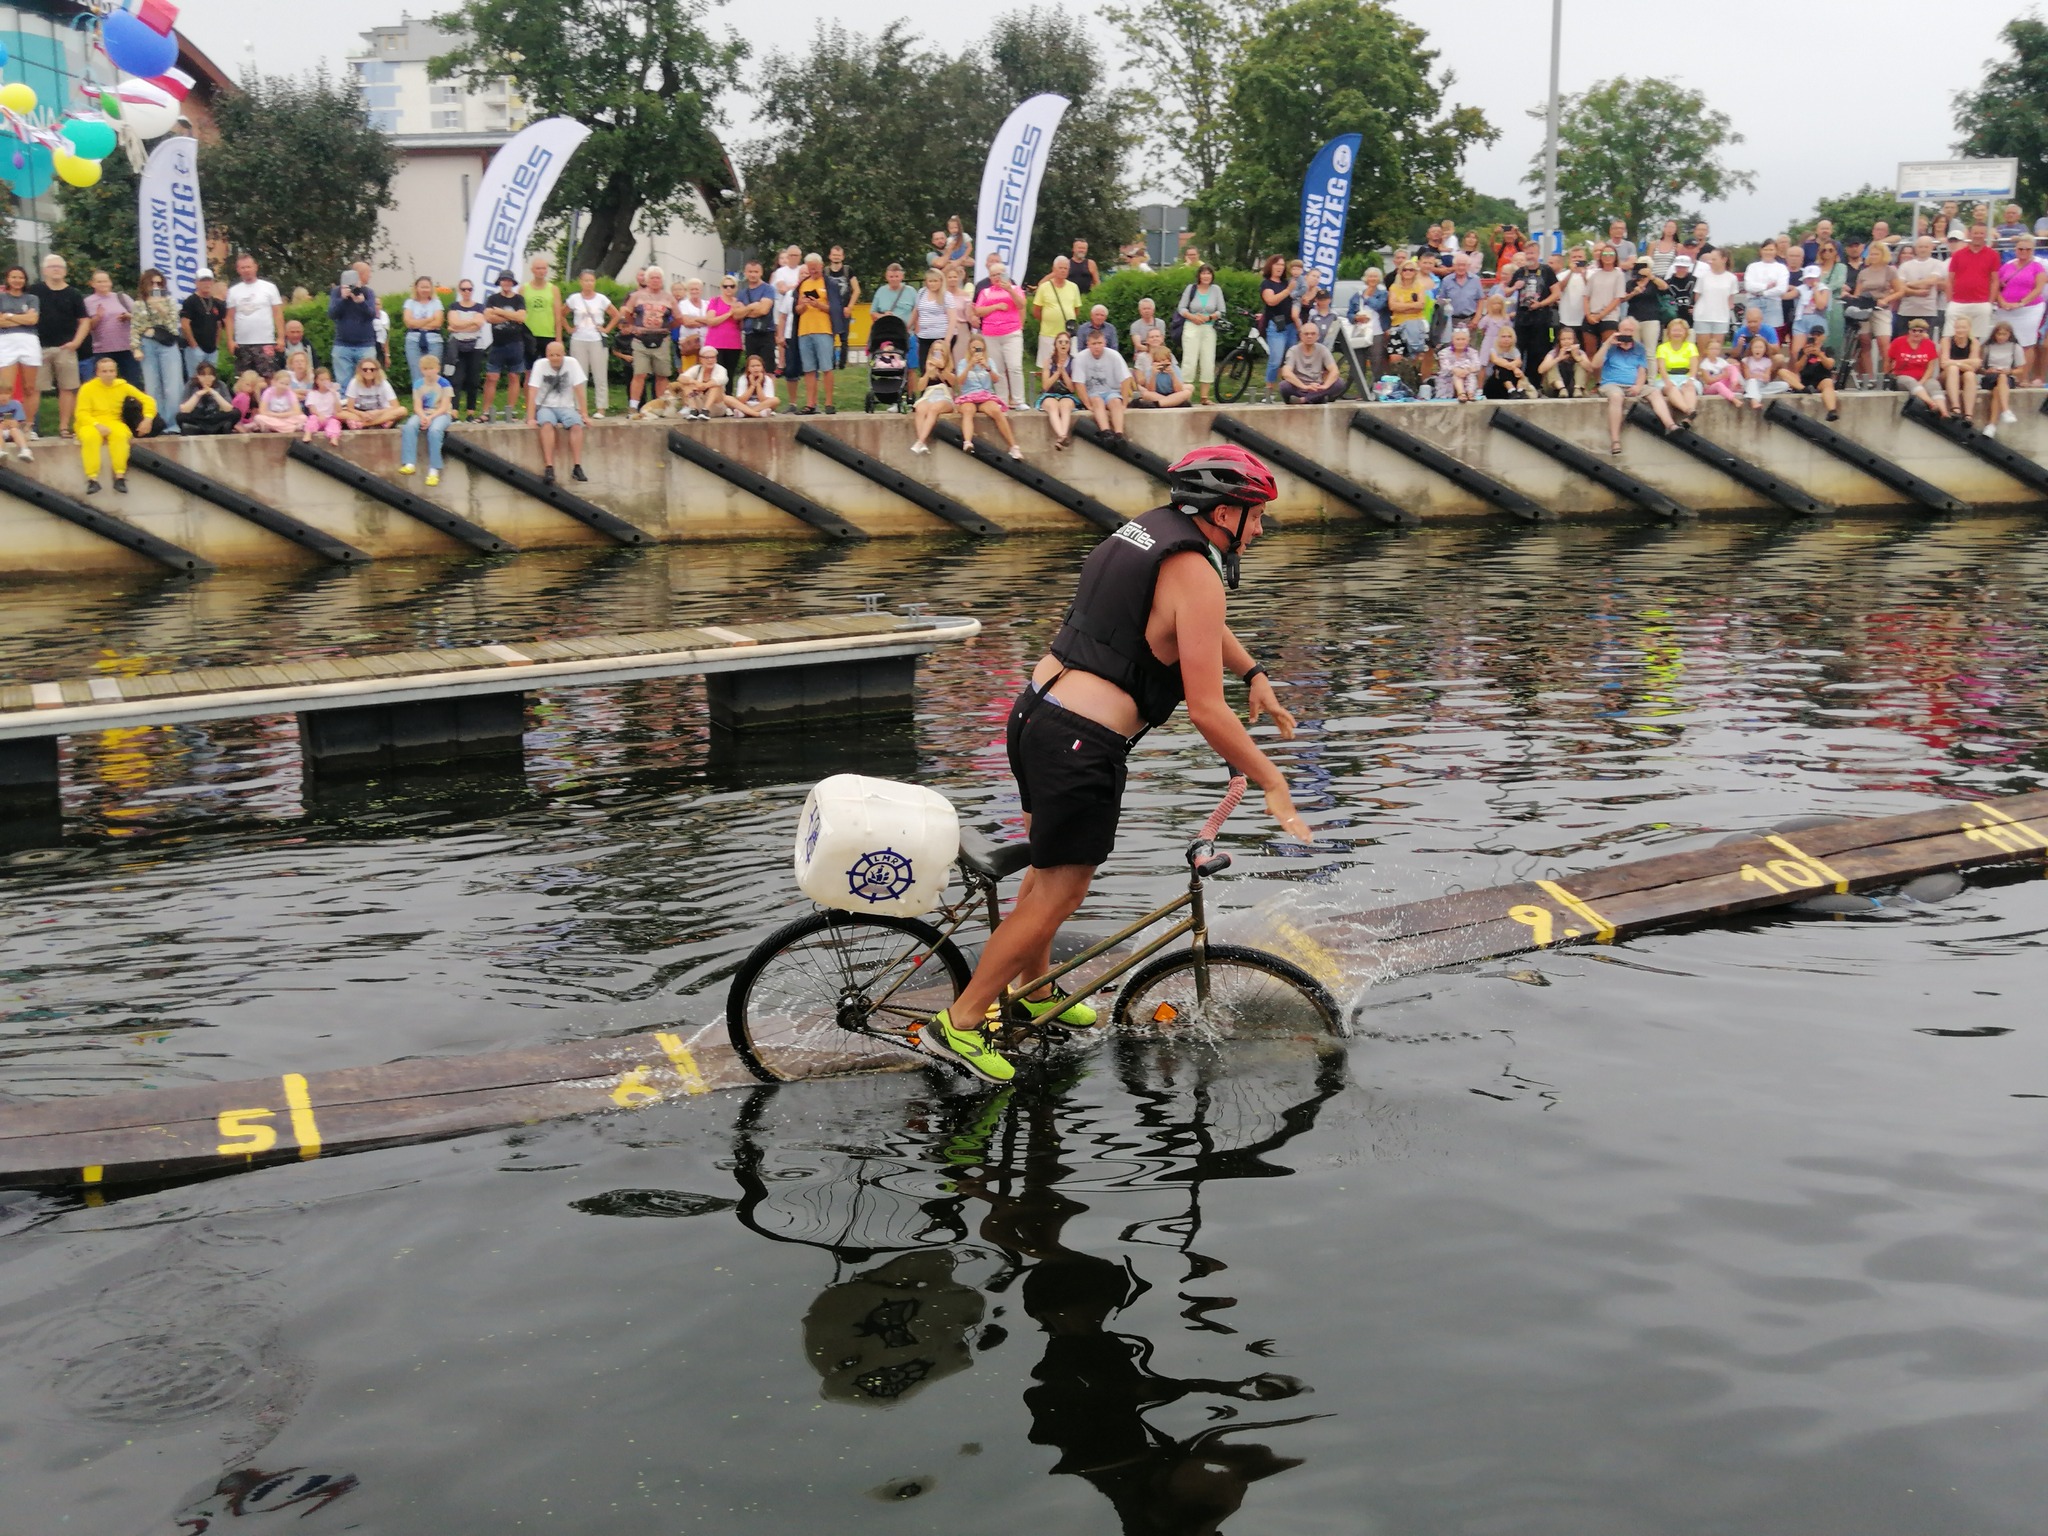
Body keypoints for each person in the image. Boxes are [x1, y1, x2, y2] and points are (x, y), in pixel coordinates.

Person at [916, 444, 1309, 1082]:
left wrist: (1254, 672)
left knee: (1045, 876)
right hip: (1080, 743)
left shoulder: (1148, 531)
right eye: (1254, 513)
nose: (1260, 528)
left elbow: (1194, 627)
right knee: (1062, 892)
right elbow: (1207, 710)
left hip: (1036, 716)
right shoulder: (1198, 572)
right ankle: (959, 1024)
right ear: (1219, 510)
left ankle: (1037, 990)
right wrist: (1272, 780)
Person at [74, 353, 154, 492]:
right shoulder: (87, 388)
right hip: (91, 422)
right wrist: (96, 425)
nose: (108, 374)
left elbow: (148, 400)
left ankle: (120, 476)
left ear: (116, 372)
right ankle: (92, 479)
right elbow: (81, 413)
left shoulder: (123, 386)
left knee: (121, 436)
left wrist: (148, 418)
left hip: (114, 421)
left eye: (111, 371)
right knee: (90, 437)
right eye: (104, 371)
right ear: (98, 373)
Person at [29, 253, 89, 436]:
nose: (56, 269)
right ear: (44, 270)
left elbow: (84, 320)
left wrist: (76, 342)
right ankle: (30, 428)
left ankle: (64, 427)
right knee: (34, 388)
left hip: (66, 348)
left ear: (65, 271)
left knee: (68, 388)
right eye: (52, 266)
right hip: (39, 348)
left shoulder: (74, 293)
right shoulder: (34, 291)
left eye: (60, 267)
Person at [1590, 318, 1669, 448]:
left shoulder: (1639, 348)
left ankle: (1670, 425)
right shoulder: (1610, 347)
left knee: (1654, 392)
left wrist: (1638, 386)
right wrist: (1607, 343)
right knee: (1616, 396)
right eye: (1625, 330)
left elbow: (1642, 371)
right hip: (1611, 384)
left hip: (1633, 384)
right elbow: (1595, 364)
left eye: (1631, 331)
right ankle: (1615, 440)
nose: (1628, 333)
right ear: (1619, 331)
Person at [527, 337, 589, 484]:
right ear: (547, 355)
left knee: (576, 425)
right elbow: (532, 391)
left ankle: (577, 466)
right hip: (546, 406)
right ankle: (549, 466)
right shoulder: (540, 365)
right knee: (547, 424)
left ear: (564, 354)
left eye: (558, 355)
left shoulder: (572, 363)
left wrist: (584, 413)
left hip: (566, 406)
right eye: (551, 355)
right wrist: (530, 417)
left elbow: (579, 390)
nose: (555, 358)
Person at [619, 267, 676, 415]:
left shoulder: (669, 298)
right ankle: (633, 407)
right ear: (647, 280)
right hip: (640, 340)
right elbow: (627, 313)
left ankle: (662, 407)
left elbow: (679, 318)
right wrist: (634, 326)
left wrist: (666, 328)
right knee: (639, 374)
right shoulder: (636, 296)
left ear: (662, 280)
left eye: (658, 278)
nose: (655, 280)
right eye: (652, 277)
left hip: (662, 340)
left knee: (662, 375)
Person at [1992, 233, 2048, 383]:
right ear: (2016, 249)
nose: (2023, 252)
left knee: (2027, 342)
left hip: (2029, 309)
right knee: (2006, 340)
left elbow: (2038, 288)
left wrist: (2021, 302)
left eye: (2027, 249)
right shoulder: (2008, 265)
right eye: (2020, 249)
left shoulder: (2038, 267)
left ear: (2032, 250)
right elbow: (1996, 285)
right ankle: (2005, 376)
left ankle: (2023, 378)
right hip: (2006, 309)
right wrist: (2002, 301)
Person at [974, 255, 1028, 410]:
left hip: (1011, 333)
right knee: (998, 369)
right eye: (993, 275)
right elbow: (978, 311)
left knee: (1015, 366)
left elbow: (1021, 304)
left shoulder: (1015, 289)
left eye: (999, 274)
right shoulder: (985, 292)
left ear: (1006, 274)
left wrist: (1009, 290)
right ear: (990, 278)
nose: (996, 277)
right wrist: (996, 307)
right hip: (991, 334)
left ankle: (1018, 400)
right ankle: (1002, 400)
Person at [953, 335, 1020, 457]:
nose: (977, 351)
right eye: (974, 348)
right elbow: (960, 381)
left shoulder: (989, 362)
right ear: (969, 349)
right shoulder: (963, 362)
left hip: (985, 395)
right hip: (968, 395)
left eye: (980, 349)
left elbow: (996, 380)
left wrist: (987, 367)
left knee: (996, 411)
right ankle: (967, 442)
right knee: (968, 411)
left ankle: (1013, 446)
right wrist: (969, 365)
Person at [477, 269, 530, 422]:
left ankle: (511, 410)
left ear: (512, 283)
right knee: (492, 377)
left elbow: (522, 317)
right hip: (498, 344)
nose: (506, 283)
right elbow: (488, 317)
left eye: (509, 281)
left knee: (514, 376)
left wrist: (500, 312)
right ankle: (486, 411)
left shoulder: (519, 298)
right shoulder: (493, 298)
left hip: (516, 343)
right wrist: (510, 317)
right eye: (503, 280)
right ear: (500, 282)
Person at [129, 267, 181, 424]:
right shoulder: (138, 304)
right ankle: (157, 423)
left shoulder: (170, 302)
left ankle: (172, 424)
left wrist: (160, 307)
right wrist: (136, 348)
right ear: (145, 284)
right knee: (152, 387)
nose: (156, 287)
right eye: (152, 283)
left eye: (160, 283)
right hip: (147, 345)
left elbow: (173, 325)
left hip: (167, 343)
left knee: (172, 387)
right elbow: (135, 327)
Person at [395, 351, 455, 485]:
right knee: (409, 427)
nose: (429, 372)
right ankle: (409, 463)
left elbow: (444, 407)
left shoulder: (445, 384)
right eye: (425, 369)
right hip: (424, 412)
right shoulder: (418, 384)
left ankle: (434, 469)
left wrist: (431, 417)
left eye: (431, 368)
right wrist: (423, 416)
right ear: (421, 370)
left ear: (437, 369)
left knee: (434, 431)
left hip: (441, 414)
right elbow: (417, 406)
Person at [224, 252, 284, 380]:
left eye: (248, 267)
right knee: (244, 380)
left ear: (255, 267)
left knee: (269, 378)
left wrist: (281, 337)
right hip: (243, 343)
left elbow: (278, 313)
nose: (246, 270)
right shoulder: (233, 291)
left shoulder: (269, 288)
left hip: (265, 341)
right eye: (243, 268)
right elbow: (229, 317)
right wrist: (230, 340)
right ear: (238, 270)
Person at [565, 270, 617, 416]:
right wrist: (569, 328)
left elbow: (615, 315)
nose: (589, 283)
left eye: (591, 280)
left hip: (596, 339)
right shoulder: (574, 298)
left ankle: (601, 408)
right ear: (580, 282)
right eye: (586, 280)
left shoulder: (601, 299)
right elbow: (562, 314)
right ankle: (579, 408)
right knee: (579, 374)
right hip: (579, 339)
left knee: (600, 375)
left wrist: (606, 328)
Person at [792, 252, 837, 414]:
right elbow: (796, 309)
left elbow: (835, 309)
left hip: (823, 330)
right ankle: (811, 403)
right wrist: (803, 304)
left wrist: (819, 305)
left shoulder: (829, 284)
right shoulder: (802, 285)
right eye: (810, 269)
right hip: (804, 331)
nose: (813, 271)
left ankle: (829, 403)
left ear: (821, 266)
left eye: (815, 269)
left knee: (826, 367)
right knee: (809, 369)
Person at [1178, 264, 1226, 404]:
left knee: (1208, 360)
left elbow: (1221, 310)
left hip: (1209, 328)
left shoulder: (1216, 290)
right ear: (1199, 275)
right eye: (1203, 273)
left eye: (1208, 273)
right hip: (1192, 326)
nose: (1206, 276)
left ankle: (1204, 397)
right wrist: (1192, 317)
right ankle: (1185, 396)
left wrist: (1210, 317)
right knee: (1189, 361)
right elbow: (1181, 308)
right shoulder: (1191, 289)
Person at [1073, 327, 1131, 442]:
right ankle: (1106, 432)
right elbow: (1078, 383)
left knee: (1115, 402)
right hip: (1093, 393)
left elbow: (1126, 379)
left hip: (1112, 391)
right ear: (1088, 344)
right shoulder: (1080, 358)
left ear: (1104, 343)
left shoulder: (1114, 356)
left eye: (1099, 343)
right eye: (1094, 343)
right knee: (1097, 402)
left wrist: (1124, 402)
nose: (1097, 346)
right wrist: (1087, 404)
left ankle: (1119, 434)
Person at [1946, 223, 2000, 345]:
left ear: (1985, 235)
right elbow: (1950, 279)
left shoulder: (1993, 255)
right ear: (1970, 234)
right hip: (1958, 303)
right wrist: (1950, 301)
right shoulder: (1958, 255)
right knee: (1951, 336)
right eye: (1976, 233)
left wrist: (1989, 302)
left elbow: (1995, 280)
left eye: (1981, 233)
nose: (1978, 236)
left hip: (1981, 302)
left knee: (1978, 339)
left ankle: (1975, 363)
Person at [1032, 256, 1082, 381]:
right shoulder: (1044, 287)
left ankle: (1068, 387)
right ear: (1054, 269)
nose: (1063, 271)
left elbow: (1076, 310)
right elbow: (1036, 311)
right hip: (1048, 333)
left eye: (1066, 268)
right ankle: (1046, 388)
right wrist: (1050, 319)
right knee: (1047, 365)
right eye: (1060, 268)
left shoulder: (1073, 287)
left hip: (1068, 334)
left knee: (1071, 364)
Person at [445, 278, 489, 421]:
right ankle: (454, 411)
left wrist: (458, 326)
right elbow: (453, 322)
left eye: (469, 289)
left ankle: (470, 412)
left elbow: (479, 324)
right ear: (459, 290)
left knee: (473, 380)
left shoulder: (479, 306)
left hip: (475, 346)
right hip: (457, 346)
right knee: (456, 379)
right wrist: (470, 322)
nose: (467, 292)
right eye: (464, 289)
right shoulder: (454, 306)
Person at [83, 270, 136, 385]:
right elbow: (87, 327)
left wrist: (128, 316)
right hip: (103, 349)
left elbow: (140, 317)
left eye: (105, 281)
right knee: (104, 383)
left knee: (132, 382)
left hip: (127, 347)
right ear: (92, 284)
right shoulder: (88, 302)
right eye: (99, 282)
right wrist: (97, 317)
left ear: (110, 282)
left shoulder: (122, 297)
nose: (103, 284)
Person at [328, 266, 379, 384]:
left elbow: (372, 314)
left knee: (367, 380)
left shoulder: (368, 292)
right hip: (342, 344)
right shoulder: (337, 292)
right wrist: (342, 299)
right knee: (343, 382)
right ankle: (346, 401)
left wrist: (361, 302)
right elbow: (332, 314)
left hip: (365, 345)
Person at [0, 266, 38, 422]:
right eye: (14, 277)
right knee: (5, 388)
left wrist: (8, 316)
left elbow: (32, 320)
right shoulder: (1, 297)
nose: (17, 280)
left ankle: (29, 426)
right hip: (6, 342)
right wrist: (22, 318)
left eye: (21, 277)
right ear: (8, 279)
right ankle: (6, 426)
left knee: (29, 388)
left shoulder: (32, 298)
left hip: (29, 341)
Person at [1887, 316, 1946, 413]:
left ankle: (1944, 412)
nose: (1917, 333)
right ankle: (1931, 403)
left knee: (1934, 384)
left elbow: (1930, 368)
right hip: (1902, 377)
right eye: (1914, 330)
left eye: (1920, 331)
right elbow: (1888, 360)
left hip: (1923, 377)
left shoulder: (1930, 345)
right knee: (1910, 381)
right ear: (1909, 331)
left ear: (1924, 332)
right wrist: (1887, 375)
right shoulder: (1898, 342)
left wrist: (1922, 382)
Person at [1895, 234, 1947, 341]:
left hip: (1928, 312)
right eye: (1920, 246)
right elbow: (1900, 288)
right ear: (1916, 248)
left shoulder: (1938, 264)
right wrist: (1917, 292)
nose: (1923, 249)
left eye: (1926, 247)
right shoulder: (1905, 266)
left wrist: (1908, 284)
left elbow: (1930, 282)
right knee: (1903, 343)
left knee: (1925, 345)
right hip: (1906, 312)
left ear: (1931, 248)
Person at [1979, 320, 2025, 435]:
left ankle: (1991, 425)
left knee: (1998, 388)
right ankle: (2005, 410)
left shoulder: (2015, 347)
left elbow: (2021, 369)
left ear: (2010, 334)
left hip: (2006, 376)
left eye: (2004, 334)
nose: (2001, 337)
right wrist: (1987, 371)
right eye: (1999, 334)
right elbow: (1979, 368)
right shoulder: (1988, 347)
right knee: (2001, 378)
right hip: (1990, 376)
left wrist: (2010, 371)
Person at [179, 267, 225, 384]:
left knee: (212, 380)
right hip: (195, 349)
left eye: (209, 280)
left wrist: (217, 344)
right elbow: (185, 324)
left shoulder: (216, 303)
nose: (207, 283)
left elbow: (219, 324)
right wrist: (193, 344)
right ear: (196, 283)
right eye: (203, 280)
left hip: (212, 349)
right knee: (195, 380)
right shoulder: (190, 301)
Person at [1257, 254, 1295, 396]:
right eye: (1277, 264)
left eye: (1282, 265)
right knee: (1275, 359)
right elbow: (1271, 301)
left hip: (1291, 325)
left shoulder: (1287, 282)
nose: (1280, 267)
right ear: (1270, 266)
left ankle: (1289, 390)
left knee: (1291, 360)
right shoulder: (1267, 284)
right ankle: (1268, 392)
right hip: (1276, 326)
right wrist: (1288, 291)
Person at [908, 339, 955, 453]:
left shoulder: (949, 368)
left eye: (940, 350)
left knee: (934, 409)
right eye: (935, 350)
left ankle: (920, 441)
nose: (938, 353)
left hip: (944, 396)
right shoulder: (928, 366)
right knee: (920, 409)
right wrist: (929, 372)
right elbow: (920, 387)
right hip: (929, 394)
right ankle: (922, 443)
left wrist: (941, 369)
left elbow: (953, 382)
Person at [1782, 330, 1840, 419]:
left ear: (1823, 337)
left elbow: (1830, 365)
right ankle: (1804, 389)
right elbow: (1797, 368)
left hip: (1821, 380)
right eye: (1813, 335)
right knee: (1783, 372)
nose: (1815, 337)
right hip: (1805, 382)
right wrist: (1805, 355)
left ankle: (1831, 410)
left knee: (1828, 383)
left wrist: (1819, 354)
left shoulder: (1828, 350)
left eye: (1818, 335)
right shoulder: (1803, 351)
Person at [732, 259, 776, 373]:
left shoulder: (768, 289)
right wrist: (751, 307)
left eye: (756, 272)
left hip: (766, 333)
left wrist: (745, 311)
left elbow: (763, 310)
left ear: (761, 273)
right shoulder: (742, 293)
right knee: (751, 369)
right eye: (750, 272)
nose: (753, 274)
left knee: (768, 370)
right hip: (750, 334)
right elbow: (736, 315)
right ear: (745, 273)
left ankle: (769, 391)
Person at [401, 276, 445, 388]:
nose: (425, 290)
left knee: (433, 371)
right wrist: (429, 319)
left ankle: (434, 401)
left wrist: (418, 322)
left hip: (434, 340)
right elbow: (409, 323)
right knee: (416, 370)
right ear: (416, 288)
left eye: (427, 287)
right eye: (422, 287)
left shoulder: (437, 303)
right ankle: (419, 401)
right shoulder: (410, 303)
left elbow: (438, 323)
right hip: (413, 340)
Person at [1038, 331, 1080, 448]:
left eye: (1066, 342)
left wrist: (1064, 372)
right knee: (1052, 407)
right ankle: (1062, 436)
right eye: (1060, 342)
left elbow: (1072, 389)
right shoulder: (1048, 361)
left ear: (1069, 345)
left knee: (1065, 407)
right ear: (1055, 344)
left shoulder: (1074, 362)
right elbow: (1045, 386)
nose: (1063, 345)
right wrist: (1057, 373)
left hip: (1067, 395)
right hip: (1050, 394)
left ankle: (1061, 437)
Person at [339, 357, 406, 429]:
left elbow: (396, 406)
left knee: (402, 410)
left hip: (380, 411)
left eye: (372, 369)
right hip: (361, 412)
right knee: (339, 414)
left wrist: (378, 412)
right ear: (360, 371)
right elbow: (350, 407)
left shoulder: (384, 383)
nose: (368, 371)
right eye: (365, 370)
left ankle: (364, 424)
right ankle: (381, 422)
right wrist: (362, 414)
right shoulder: (354, 382)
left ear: (377, 371)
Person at [521, 257, 564, 368]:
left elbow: (558, 316)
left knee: (549, 369)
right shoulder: (524, 289)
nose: (541, 271)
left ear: (547, 270)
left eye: (543, 268)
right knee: (529, 371)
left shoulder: (553, 289)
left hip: (548, 334)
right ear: (532, 270)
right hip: (529, 334)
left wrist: (559, 340)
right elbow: (519, 314)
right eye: (538, 268)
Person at [1620, 255, 1667, 354]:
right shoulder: (1631, 283)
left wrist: (1651, 277)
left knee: (1650, 352)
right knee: (1634, 350)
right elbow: (1622, 299)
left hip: (1651, 319)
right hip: (1634, 319)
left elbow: (1664, 287)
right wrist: (1633, 293)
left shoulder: (1654, 282)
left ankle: (1650, 370)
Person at [1582, 246, 1627, 350]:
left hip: (1609, 317)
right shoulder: (1595, 275)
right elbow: (1586, 296)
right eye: (1605, 255)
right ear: (1601, 257)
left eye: (1611, 254)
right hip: (1591, 317)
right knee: (1590, 351)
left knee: (1609, 351)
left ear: (1615, 257)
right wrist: (1588, 315)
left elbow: (1617, 298)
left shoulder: (1618, 274)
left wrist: (1600, 316)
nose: (1608, 257)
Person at [868, 261, 917, 357]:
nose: (894, 279)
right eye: (891, 277)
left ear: (902, 277)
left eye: (896, 276)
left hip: (908, 333)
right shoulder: (881, 291)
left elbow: (917, 312)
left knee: (911, 367)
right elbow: (872, 313)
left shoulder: (911, 291)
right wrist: (883, 316)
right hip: (886, 335)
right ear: (886, 277)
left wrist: (916, 332)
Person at [176, 361, 238, 435]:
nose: (206, 378)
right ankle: (204, 429)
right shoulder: (191, 385)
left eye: (209, 375)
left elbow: (228, 408)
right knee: (180, 416)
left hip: (215, 415)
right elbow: (184, 409)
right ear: (198, 376)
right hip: (198, 415)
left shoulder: (221, 385)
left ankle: (212, 428)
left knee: (236, 413)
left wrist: (214, 393)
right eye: (203, 375)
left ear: (214, 377)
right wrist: (198, 395)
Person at [1939, 314, 1980, 423]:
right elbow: (1943, 363)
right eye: (1958, 327)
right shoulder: (1947, 340)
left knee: (1970, 375)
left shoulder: (1974, 342)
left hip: (1964, 374)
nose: (1960, 330)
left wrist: (1955, 363)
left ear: (1969, 328)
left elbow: (1974, 367)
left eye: (1963, 327)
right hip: (1946, 375)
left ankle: (1968, 414)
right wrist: (1964, 364)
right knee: (1953, 369)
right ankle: (1955, 407)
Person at [1654, 317, 1698, 418]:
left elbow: (1694, 365)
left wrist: (1691, 379)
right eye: (1674, 330)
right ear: (1669, 332)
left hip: (1685, 376)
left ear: (1685, 333)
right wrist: (1667, 381)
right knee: (1671, 388)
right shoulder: (1662, 347)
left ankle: (1689, 416)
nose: (1677, 333)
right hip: (1667, 377)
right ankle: (1688, 411)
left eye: (1680, 331)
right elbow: (1661, 367)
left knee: (1689, 388)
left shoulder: (1691, 347)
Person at [824, 245, 860, 368]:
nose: (836, 257)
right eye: (834, 255)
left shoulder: (848, 270)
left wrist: (849, 307)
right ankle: (831, 364)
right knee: (830, 338)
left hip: (845, 309)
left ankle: (842, 365)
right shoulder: (826, 272)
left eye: (838, 255)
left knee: (844, 339)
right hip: (830, 310)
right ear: (830, 256)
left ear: (843, 257)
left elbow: (856, 290)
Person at [1131, 338, 1191, 407]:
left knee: (1186, 392)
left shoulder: (1175, 369)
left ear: (1169, 360)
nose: (1161, 364)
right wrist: (1153, 375)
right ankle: (1173, 403)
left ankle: (1158, 404)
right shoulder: (1151, 370)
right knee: (1146, 394)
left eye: (1163, 361)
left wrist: (1172, 374)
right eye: (1158, 362)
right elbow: (1151, 390)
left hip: (1173, 393)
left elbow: (1178, 390)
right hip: (1157, 394)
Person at [910, 267, 949, 374]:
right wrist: (908, 326)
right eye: (930, 281)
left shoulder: (946, 295)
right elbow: (916, 311)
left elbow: (952, 318)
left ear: (941, 281)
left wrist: (947, 340)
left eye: (935, 281)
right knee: (924, 366)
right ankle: (925, 389)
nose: (933, 284)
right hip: (924, 337)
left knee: (939, 366)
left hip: (939, 337)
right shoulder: (921, 293)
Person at [677, 344, 728, 419]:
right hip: (700, 402)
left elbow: (721, 380)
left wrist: (704, 386)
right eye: (707, 358)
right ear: (701, 359)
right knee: (686, 384)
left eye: (712, 357)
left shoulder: (721, 369)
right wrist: (694, 382)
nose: (710, 360)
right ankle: (694, 410)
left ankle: (706, 410)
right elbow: (681, 378)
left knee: (715, 386)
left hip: (716, 406)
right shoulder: (697, 368)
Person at [244, 370, 303, 435]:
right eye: (281, 383)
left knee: (302, 418)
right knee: (258, 418)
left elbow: (297, 411)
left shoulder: (290, 393)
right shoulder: (268, 392)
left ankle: (275, 427)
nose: (283, 386)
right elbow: (262, 411)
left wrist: (281, 416)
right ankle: (291, 428)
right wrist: (275, 415)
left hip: (286, 417)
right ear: (274, 382)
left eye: (287, 384)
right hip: (272, 417)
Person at [1435, 324, 1482, 402]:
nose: (1460, 342)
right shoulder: (1443, 353)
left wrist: (1466, 370)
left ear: (1468, 340)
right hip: (1448, 379)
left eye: (1463, 339)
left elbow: (1477, 366)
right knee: (1457, 374)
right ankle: (1462, 394)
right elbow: (1445, 367)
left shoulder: (1473, 352)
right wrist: (1457, 370)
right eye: (1458, 339)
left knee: (1469, 374)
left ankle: (1470, 393)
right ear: (1453, 340)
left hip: (1467, 377)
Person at [1482, 327, 1530, 399]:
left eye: (1509, 337)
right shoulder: (1493, 350)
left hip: (1513, 377)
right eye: (1503, 336)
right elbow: (1496, 360)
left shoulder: (1515, 350)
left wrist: (1513, 367)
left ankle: (1519, 390)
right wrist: (1514, 368)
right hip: (1497, 380)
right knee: (1502, 368)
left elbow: (1519, 362)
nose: (1506, 339)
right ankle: (1511, 390)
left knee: (1515, 370)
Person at [299, 366, 343, 443]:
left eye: (327, 379)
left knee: (334, 423)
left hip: (330, 418)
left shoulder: (335, 394)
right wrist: (319, 415)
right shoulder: (312, 393)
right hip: (318, 416)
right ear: (316, 381)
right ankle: (308, 434)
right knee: (312, 419)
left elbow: (338, 410)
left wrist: (334, 395)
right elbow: (312, 408)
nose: (325, 382)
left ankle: (333, 438)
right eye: (322, 380)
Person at [729, 351, 779, 418]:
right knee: (727, 398)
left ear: (762, 367)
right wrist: (752, 386)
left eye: (758, 365)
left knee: (775, 400)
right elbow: (741, 400)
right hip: (745, 405)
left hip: (761, 405)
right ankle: (757, 414)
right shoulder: (743, 379)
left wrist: (758, 384)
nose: (756, 368)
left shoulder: (767, 379)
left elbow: (764, 400)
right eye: (752, 366)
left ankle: (746, 413)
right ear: (748, 368)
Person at [1695, 334, 1739, 404]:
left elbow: (1728, 373)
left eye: (1717, 349)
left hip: (1723, 383)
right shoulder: (1704, 364)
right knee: (1718, 385)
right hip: (1711, 387)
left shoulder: (1721, 361)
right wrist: (1722, 376)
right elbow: (1709, 380)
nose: (1714, 351)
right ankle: (1733, 399)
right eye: (1712, 349)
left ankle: (1734, 384)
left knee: (1733, 367)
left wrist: (1727, 375)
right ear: (1706, 350)